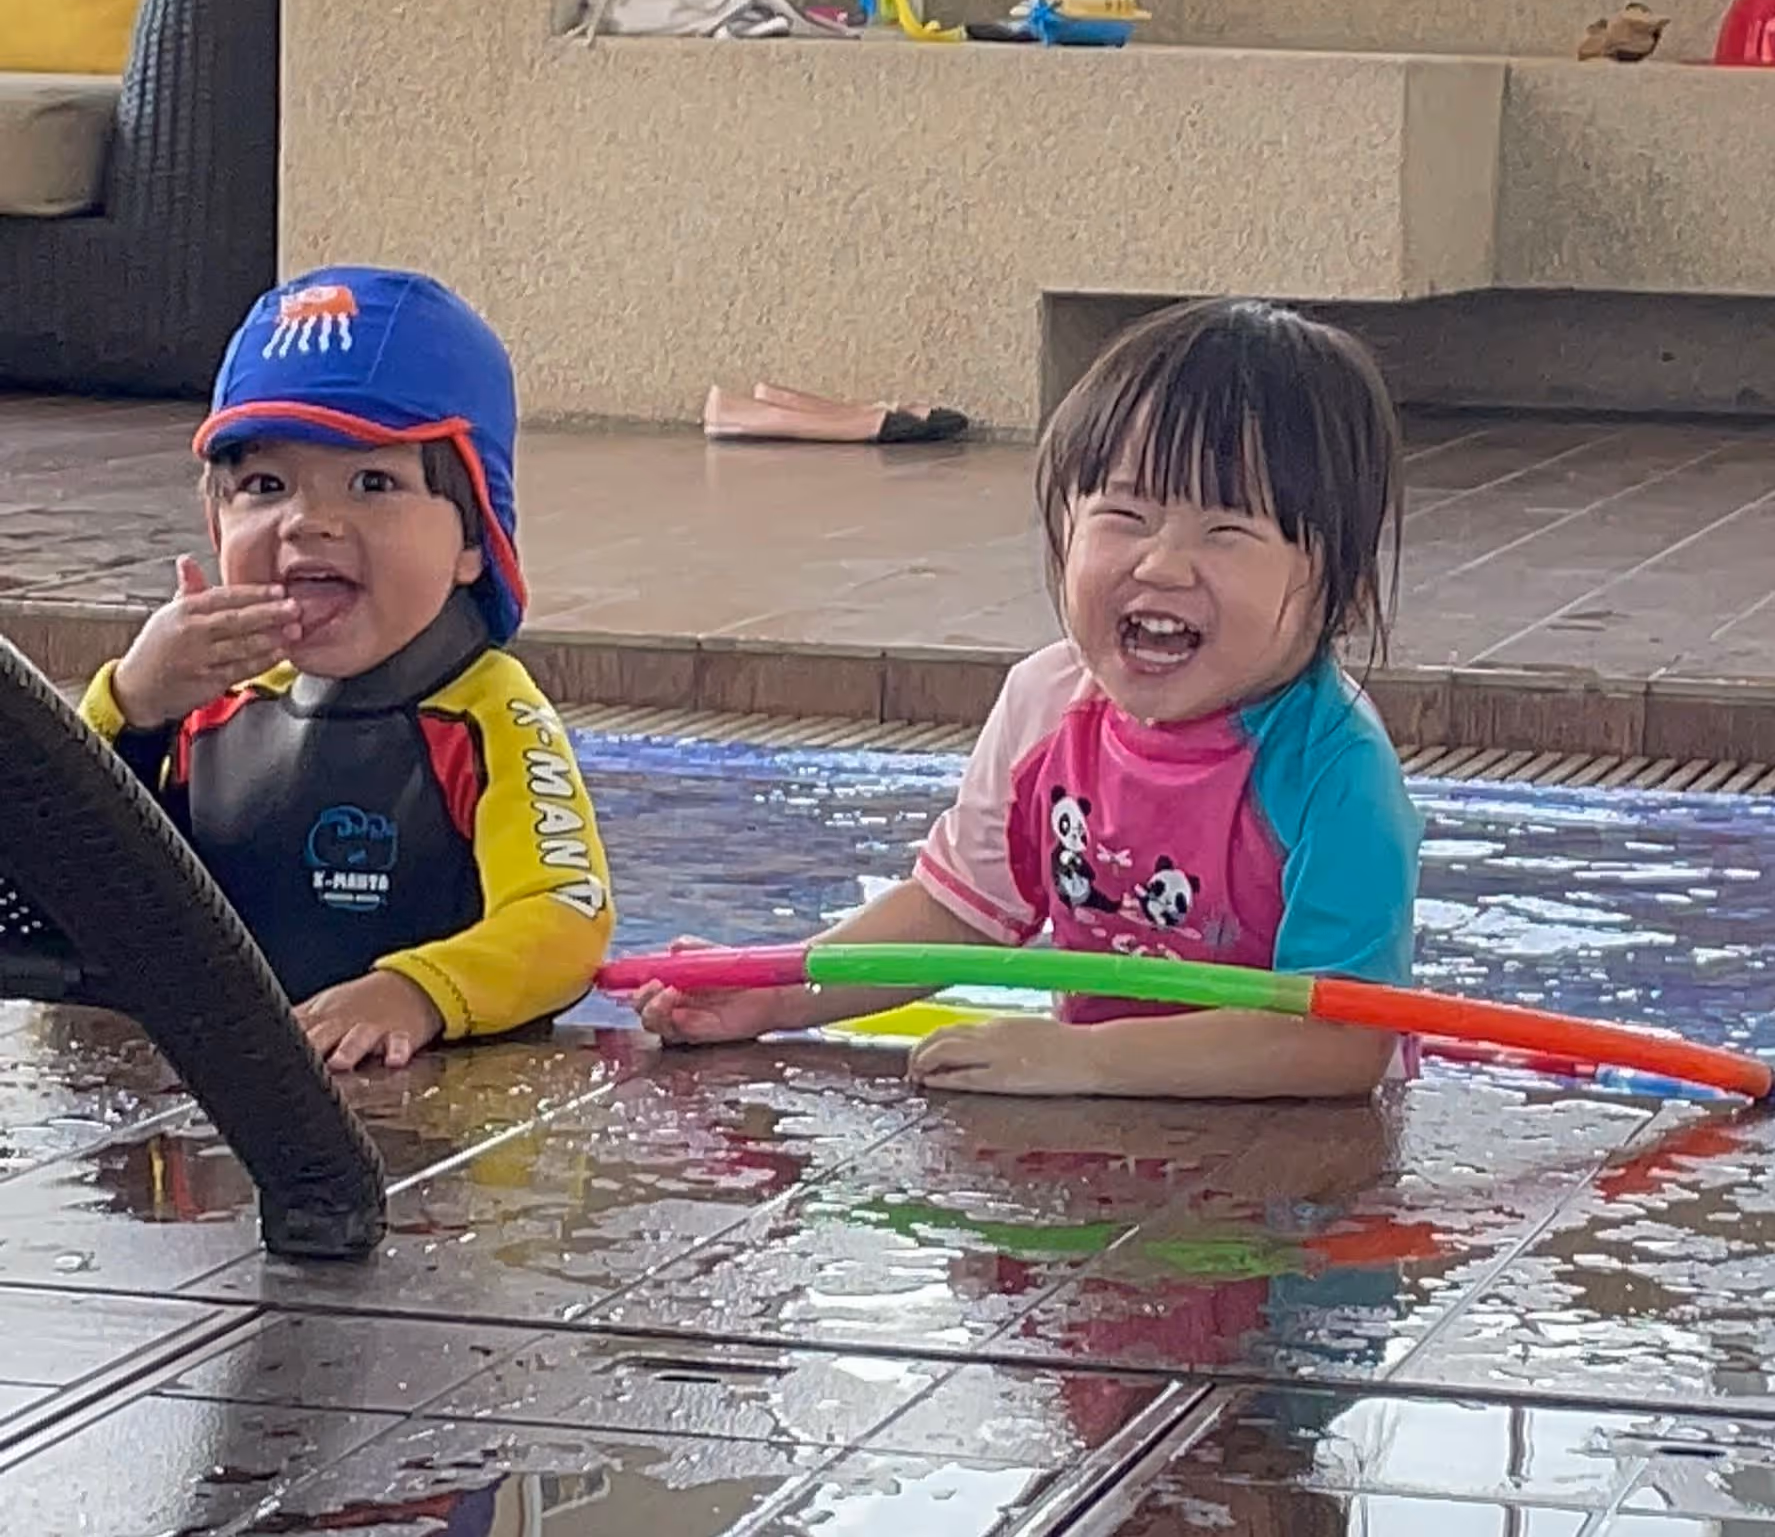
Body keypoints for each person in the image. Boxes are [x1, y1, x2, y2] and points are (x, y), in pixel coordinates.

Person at [635, 298, 1420, 1099]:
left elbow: (1339, 1042)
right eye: (1123, 513)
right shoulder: (1047, 705)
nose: (1161, 563)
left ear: (1343, 593)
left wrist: (1086, 1059)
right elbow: (955, 913)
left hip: (1306, 1143)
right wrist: (777, 992)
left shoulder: (1332, 766)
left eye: (1226, 532)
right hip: (1108, 1107)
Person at [77, 266, 614, 1071]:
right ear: (214, 521)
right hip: (225, 1098)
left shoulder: (487, 714)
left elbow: (567, 917)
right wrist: (131, 704)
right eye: (264, 485)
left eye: (373, 482)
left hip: (427, 1106)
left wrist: (420, 993)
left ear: (474, 542)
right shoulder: (202, 706)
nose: (310, 522)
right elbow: (52, 871)